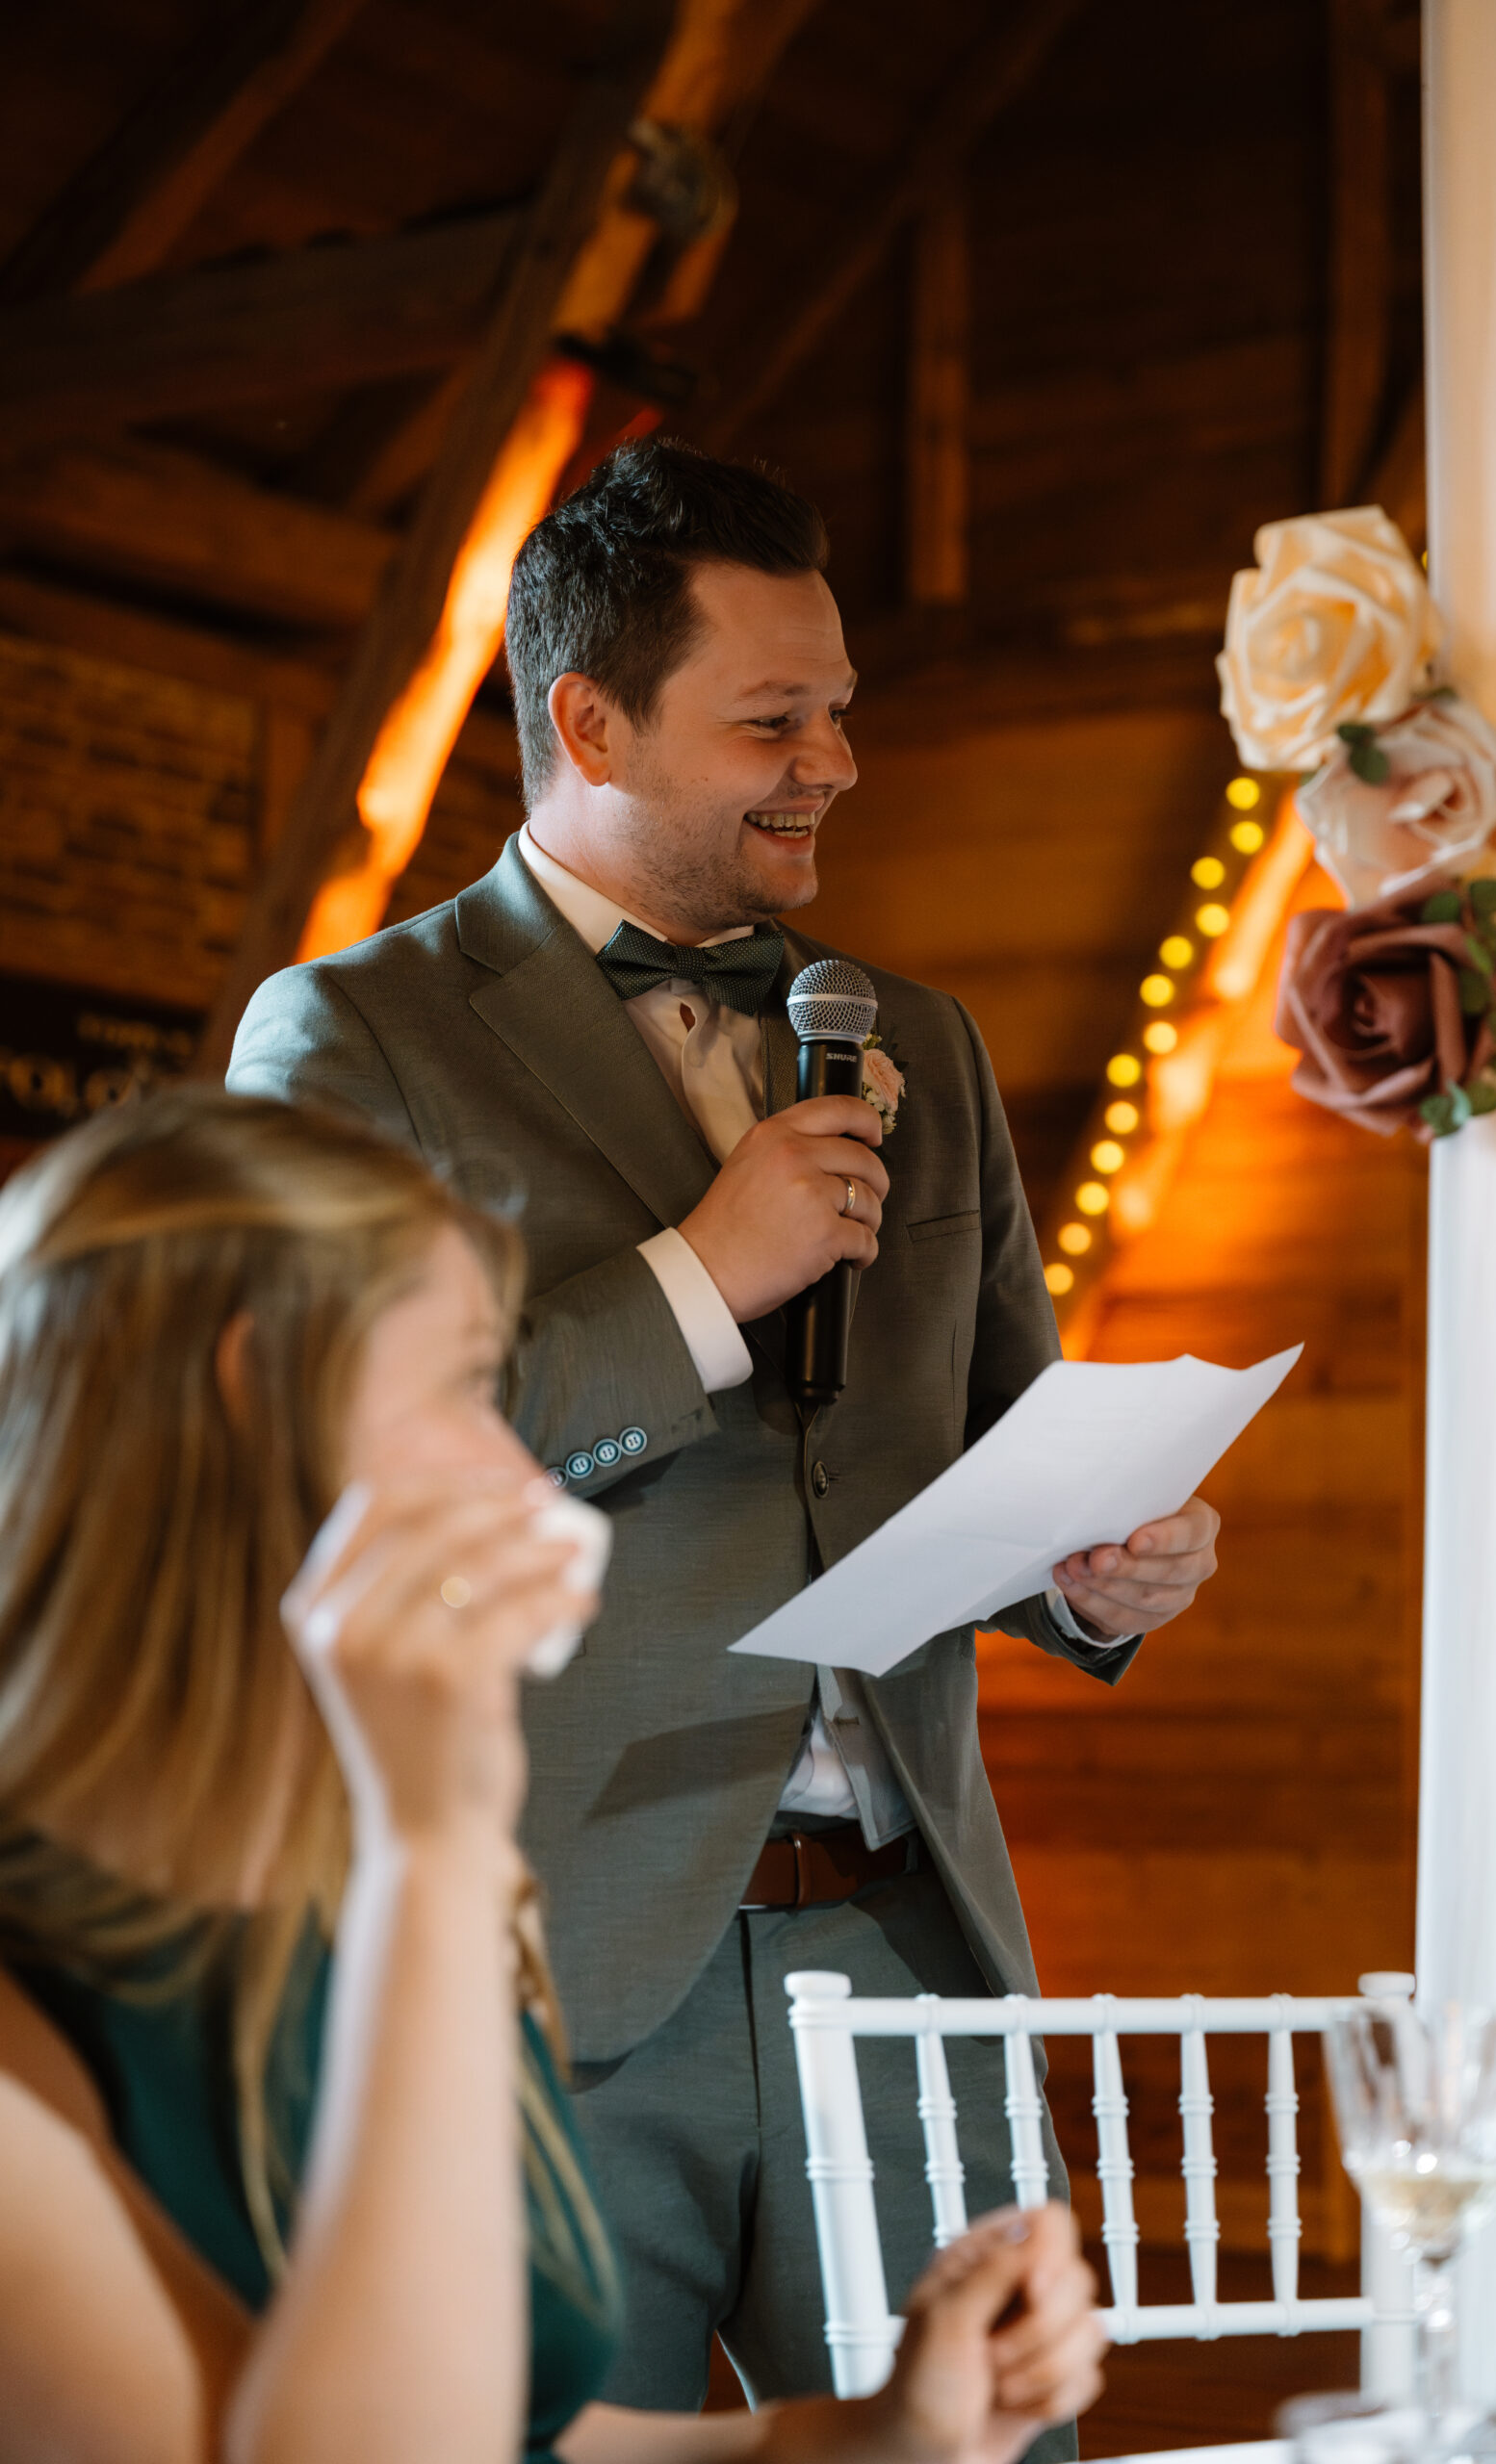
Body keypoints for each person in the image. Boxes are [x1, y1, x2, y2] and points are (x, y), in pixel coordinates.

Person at [227, 439, 1220, 2446]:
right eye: (772, 721)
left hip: (909, 1949)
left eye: (837, 710)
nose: (831, 763)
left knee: (978, 2444)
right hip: (549, 1977)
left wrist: (1096, 1567)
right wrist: (698, 1276)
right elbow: (330, 1474)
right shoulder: (349, 1037)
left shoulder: (919, 1040)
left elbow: (995, 1441)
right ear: (589, 721)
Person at [0, 1088, 1106, 2464]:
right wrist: (435, 1843)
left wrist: (878, 2432)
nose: (525, 1474)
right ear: (254, 1393)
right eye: (468, 1387)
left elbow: (524, 2436)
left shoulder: (379, 1882)